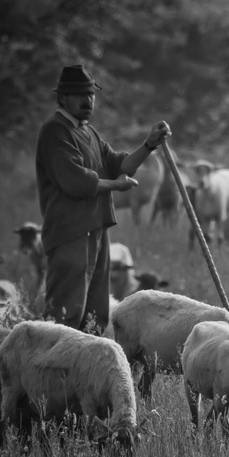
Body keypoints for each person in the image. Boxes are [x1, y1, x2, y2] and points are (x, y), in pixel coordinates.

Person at [35, 64, 171, 333]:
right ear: (62, 97)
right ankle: (54, 368)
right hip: (70, 232)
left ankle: (84, 370)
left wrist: (149, 144)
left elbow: (120, 163)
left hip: (96, 229)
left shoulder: (89, 132)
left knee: (95, 314)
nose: (87, 100)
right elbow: (75, 180)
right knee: (65, 314)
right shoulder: (55, 131)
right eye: (79, 94)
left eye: (91, 94)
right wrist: (116, 186)